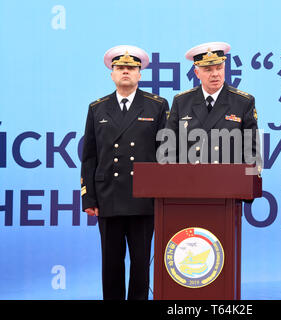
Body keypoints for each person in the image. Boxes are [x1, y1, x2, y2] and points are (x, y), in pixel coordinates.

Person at [80, 45, 169, 300]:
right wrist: (89, 198)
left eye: (131, 68)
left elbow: (167, 154)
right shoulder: (97, 108)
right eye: (120, 68)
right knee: (111, 264)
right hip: (109, 196)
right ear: (112, 74)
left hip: (143, 198)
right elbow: (89, 157)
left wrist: (161, 195)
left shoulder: (157, 106)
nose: (126, 72)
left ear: (140, 73)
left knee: (141, 264)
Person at [161, 41, 260, 169]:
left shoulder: (243, 102)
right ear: (197, 74)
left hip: (228, 183)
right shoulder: (182, 101)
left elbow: (251, 152)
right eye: (208, 69)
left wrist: (242, 182)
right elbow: (169, 149)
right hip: (189, 182)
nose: (215, 74)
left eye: (219, 68)